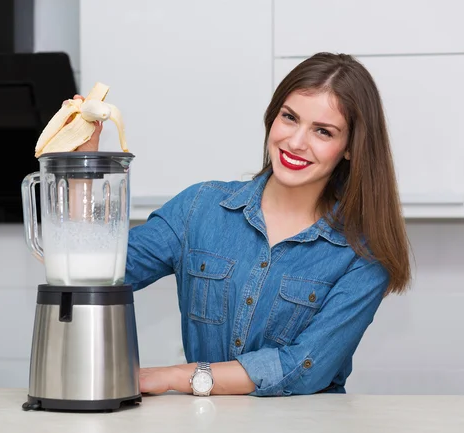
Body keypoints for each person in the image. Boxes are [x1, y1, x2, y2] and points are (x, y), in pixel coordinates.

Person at [75, 52, 412, 397]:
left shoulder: (363, 253)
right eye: (289, 117)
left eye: (323, 132)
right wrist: (78, 163)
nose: (296, 142)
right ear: (272, 117)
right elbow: (92, 268)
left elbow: (303, 368)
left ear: (350, 148)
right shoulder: (200, 208)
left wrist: (178, 376)